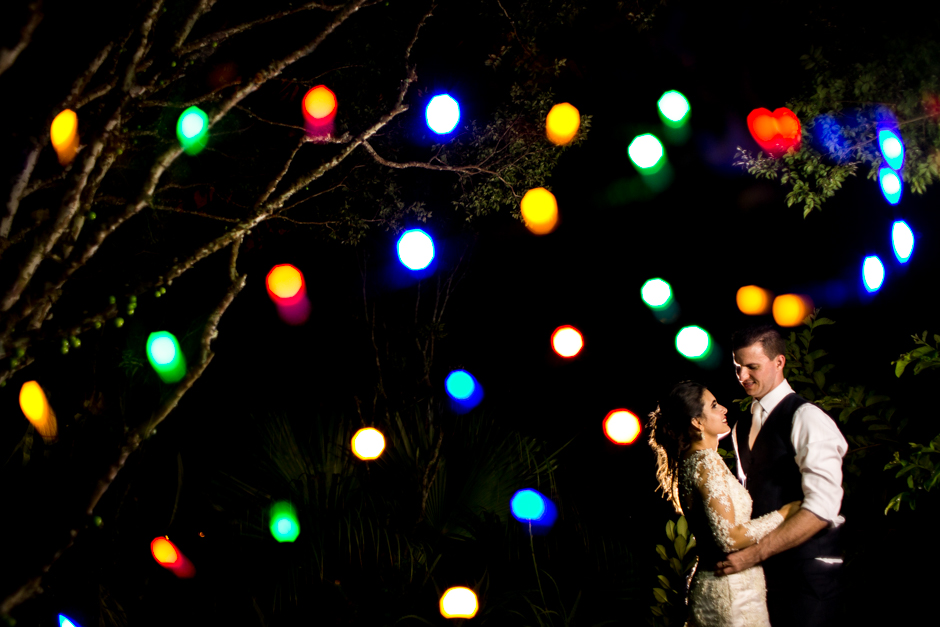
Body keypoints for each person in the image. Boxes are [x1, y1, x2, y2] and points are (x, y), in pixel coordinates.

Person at [717, 325, 847, 627]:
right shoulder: (742, 424)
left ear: (779, 362)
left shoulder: (807, 417)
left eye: (753, 367)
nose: (743, 377)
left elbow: (822, 509)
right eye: (738, 368)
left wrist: (753, 555)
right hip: (765, 578)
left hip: (810, 577)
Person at [649, 380, 802, 627]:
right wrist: (785, 514)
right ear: (697, 422)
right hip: (732, 593)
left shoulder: (693, 462)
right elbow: (729, 538)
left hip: (729, 586)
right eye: (714, 405)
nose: (724, 410)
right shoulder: (705, 463)